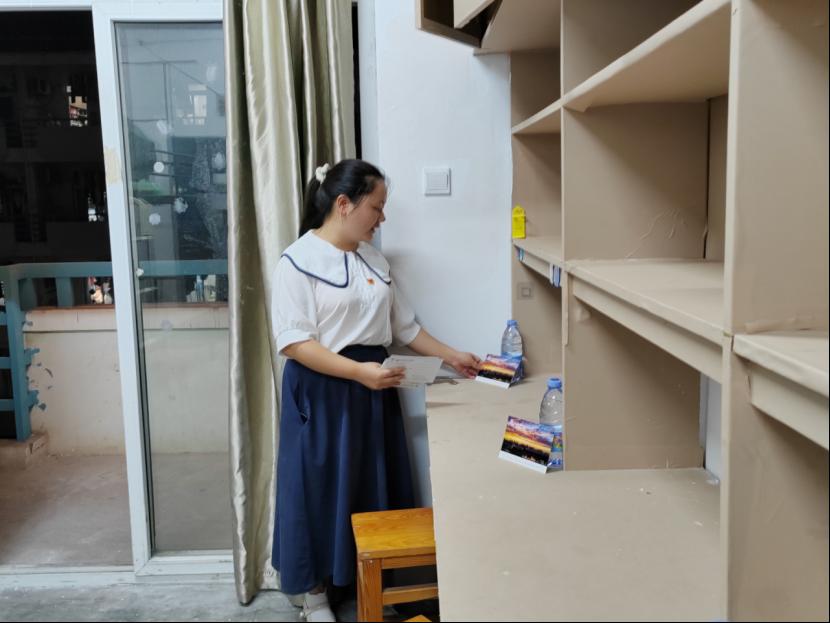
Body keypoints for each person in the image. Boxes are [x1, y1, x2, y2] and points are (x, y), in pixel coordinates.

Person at [271, 159, 480, 621]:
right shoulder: (297, 262)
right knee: (320, 486)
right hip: (324, 391)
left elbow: (404, 327)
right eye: (377, 207)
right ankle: (316, 595)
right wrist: (357, 372)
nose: (382, 218)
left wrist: (453, 356)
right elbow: (295, 342)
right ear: (344, 204)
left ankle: (376, 582)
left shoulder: (374, 260)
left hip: (374, 386)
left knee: (373, 480)